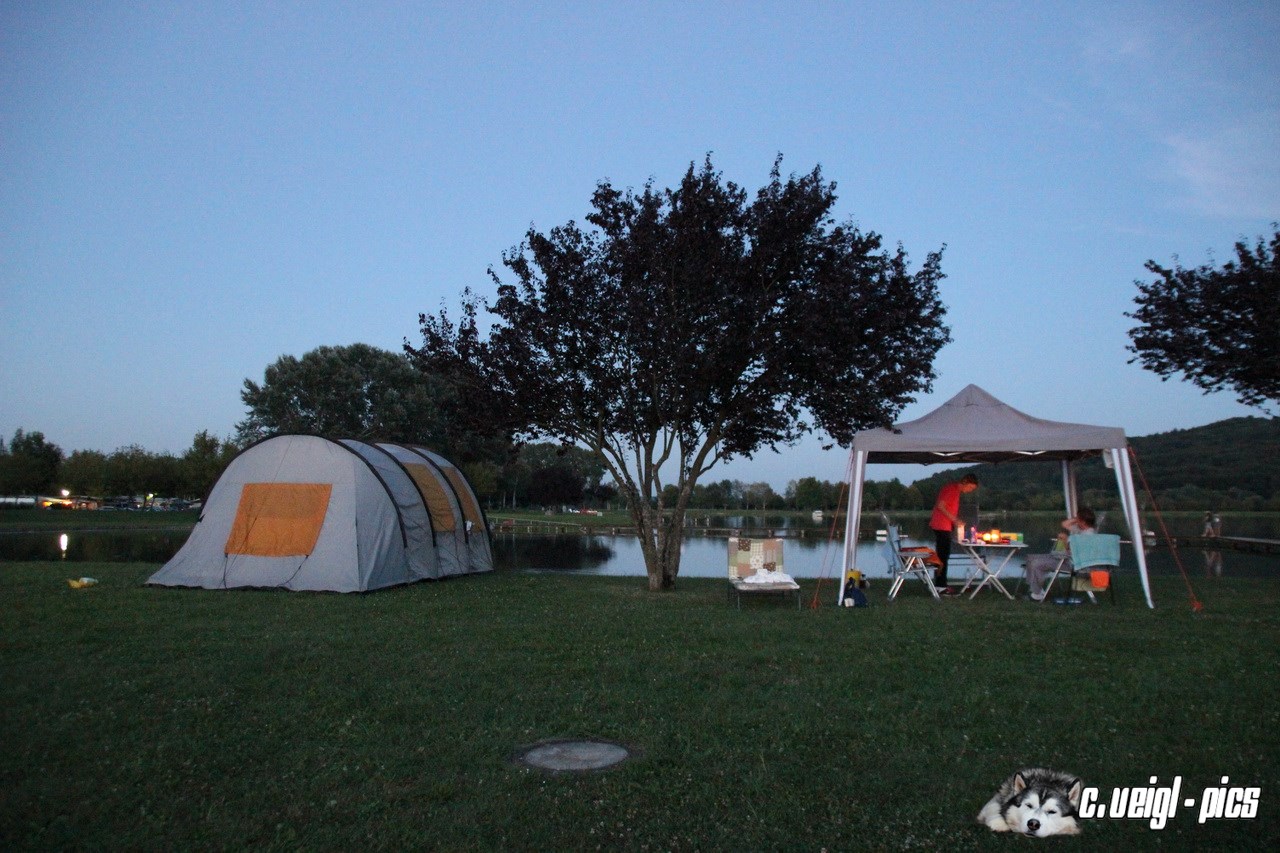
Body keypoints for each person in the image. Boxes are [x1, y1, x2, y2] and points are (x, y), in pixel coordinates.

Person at [1024, 507, 1097, 601]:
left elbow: (1072, 551)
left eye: (1077, 518)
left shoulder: (1088, 535)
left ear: (1083, 522)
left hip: (1073, 564)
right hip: (1065, 558)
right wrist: (1077, 519)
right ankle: (1036, 589)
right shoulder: (1081, 530)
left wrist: (1065, 539)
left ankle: (1037, 594)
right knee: (1030, 558)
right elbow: (1064, 524)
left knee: (1036, 563)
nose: (1076, 520)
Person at [929, 473, 978, 594]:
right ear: (965, 482)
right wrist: (955, 520)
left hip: (943, 526)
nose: (970, 491)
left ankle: (941, 584)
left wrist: (954, 521)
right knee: (942, 557)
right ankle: (940, 586)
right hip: (941, 525)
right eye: (970, 487)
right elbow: (941, 506)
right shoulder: (952, 489)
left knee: (943, 556)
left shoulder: (954, 490)